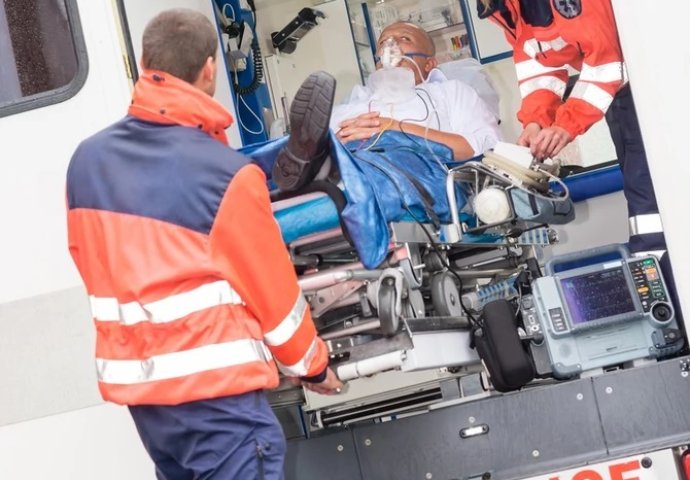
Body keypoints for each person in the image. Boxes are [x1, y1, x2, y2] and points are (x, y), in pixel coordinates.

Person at [65, 9, 342, 480]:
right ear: (210, 68)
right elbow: (274, 296)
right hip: (220, 402)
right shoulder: (225, 174)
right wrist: (313, 366)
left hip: (151, 407)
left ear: (145, 63)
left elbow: (90, 261)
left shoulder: (87, 163)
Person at [477, 0, 672, 272]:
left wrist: (565, 126)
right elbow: (538, 66)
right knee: (643, 190)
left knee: (651, 195)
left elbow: (606, 60)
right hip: (624, 93)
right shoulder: (508, 7)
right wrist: (535, 121)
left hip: (658, 80)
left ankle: (661, 274)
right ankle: (658, 274)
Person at [329, 21, 501, 162]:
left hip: (424, 183)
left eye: (404, 38)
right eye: (382, 42)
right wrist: (333, 146)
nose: (390, 44)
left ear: (429, 64)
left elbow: (490, 146)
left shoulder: (451, 93)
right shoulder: (353, 102)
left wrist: (396, 129)